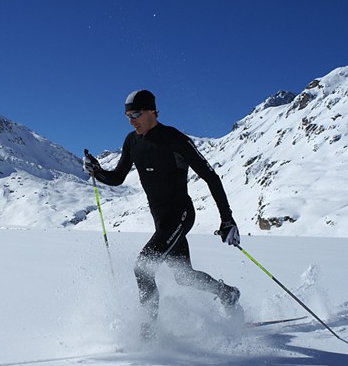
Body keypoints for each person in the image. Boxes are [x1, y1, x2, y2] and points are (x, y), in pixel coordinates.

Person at [83, 89, 241, 339]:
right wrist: (98, 171)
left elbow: (211, 176)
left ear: (152, 112)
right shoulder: (132, 142)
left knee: (142, 267)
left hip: (180, 214)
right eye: (127, 115)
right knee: (184, 278)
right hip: (161, 221)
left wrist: (227, 219)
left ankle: (148, 335)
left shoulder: (173, 139)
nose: (131, 120)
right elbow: (117, 178)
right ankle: (227, 293)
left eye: (135, 113)